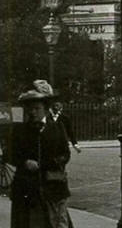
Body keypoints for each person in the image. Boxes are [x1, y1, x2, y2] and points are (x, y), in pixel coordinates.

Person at [10, 80, 73, 227]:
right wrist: (24, 162)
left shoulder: (57, 128)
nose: (32, 112)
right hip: (26, 189)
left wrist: (48, 164)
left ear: (45, 108)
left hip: (52, 189)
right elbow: (11, 154)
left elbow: (65, 154)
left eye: (36, 108)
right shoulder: (20, 131)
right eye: (30, 109)